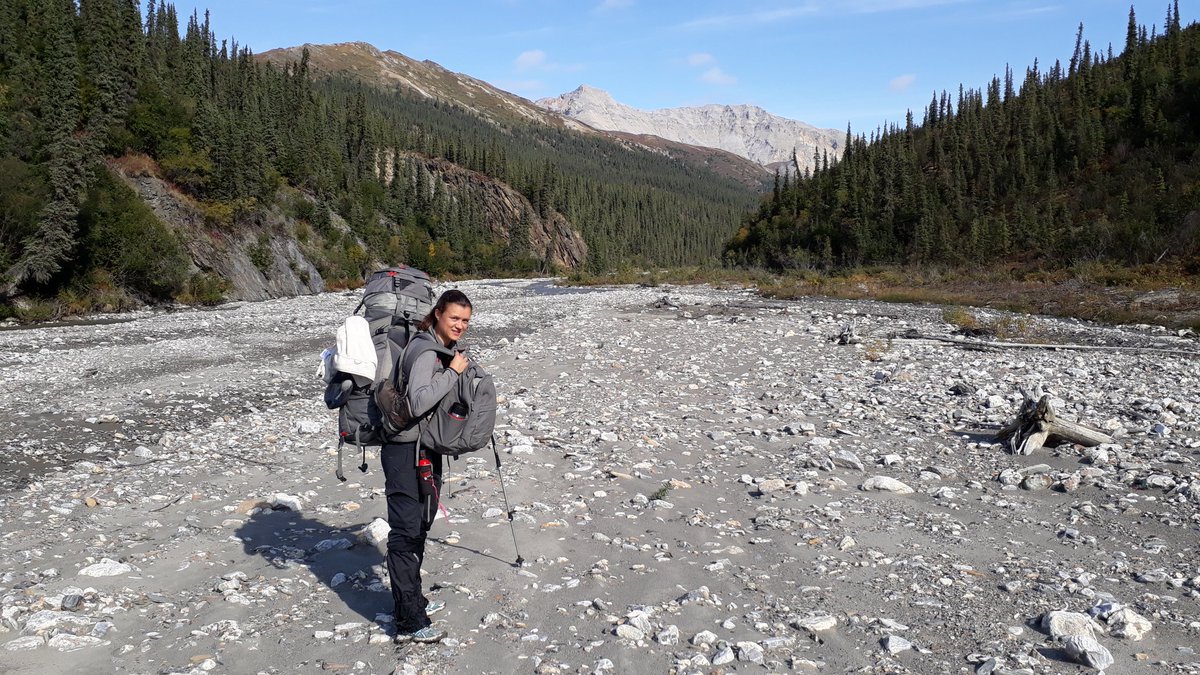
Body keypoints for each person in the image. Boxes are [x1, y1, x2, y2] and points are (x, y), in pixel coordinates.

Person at [381, 289, 472, 644]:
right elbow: (418, 401)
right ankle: (408, 622)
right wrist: (452, 373)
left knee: (420, 524)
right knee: (405, 532)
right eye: (454, 318)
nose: (460, 326)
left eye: (465, 320)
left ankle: (413, 600)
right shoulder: (424, 352)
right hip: (403, 451)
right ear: (437, 314)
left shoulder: (435, 346)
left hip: (422, 448)